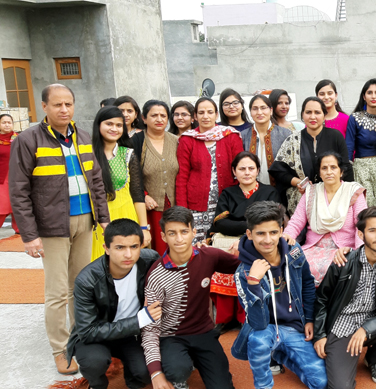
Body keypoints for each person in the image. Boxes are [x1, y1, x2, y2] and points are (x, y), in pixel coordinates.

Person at [9, 84, 110, 374]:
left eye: (68, 104)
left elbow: (96, 180)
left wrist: (103, 218)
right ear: (44, 107)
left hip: (84, 221)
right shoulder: (28, 139)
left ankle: (81, 341)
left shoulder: (81, 136)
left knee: (80, 286)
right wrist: (29, 235)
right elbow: (18, 191)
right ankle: (60, 349)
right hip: (52, 226)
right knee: (57, 292)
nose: (64, 110)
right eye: (57, 105)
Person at [314, 207, 376, 387]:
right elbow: (322, 298)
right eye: (372, 230)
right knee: (340, 387)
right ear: (361, 234)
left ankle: (373, 359)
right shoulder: (343, 261)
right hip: (342, 326)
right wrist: (319, 334)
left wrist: (366, 328)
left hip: (372, 325)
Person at [231, 201, 326, 389]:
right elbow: (257, 322)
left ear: (281, 230)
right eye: (260, 233)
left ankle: (281, 354)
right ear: (249, 234)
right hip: (265, 328)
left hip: (293, 326)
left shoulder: (295, 252)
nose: (268, 239)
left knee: (321, 382)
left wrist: (309, 319)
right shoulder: (243, 273)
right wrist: (253, 283)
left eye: (273, 232)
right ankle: (263, 385)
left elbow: (308, 284)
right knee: (257, 340)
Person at [142, 206, 239, 389]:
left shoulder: (209, 256)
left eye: (184, 231)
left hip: (203, 332)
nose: (179, 239)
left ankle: (194, 360)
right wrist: (156, 373)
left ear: (193, 232)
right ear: (163, 237)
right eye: (172, 233)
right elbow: (150, 329)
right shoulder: (156, 276)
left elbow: (241, 265)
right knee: (177, 369)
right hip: (171, 336)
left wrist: (246, 246)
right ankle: (179, 373)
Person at [66, 219, 160, 389]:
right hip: (96, 334)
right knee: (94, 362)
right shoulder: (87, 280)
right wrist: (139, 320)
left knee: (148, 370)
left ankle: (134, 380)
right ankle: (97, 384)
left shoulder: (150, 260)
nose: (128, 255)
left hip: (131, 334)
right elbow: (87, 332)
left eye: (134, 247)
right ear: (106, 248)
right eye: (120, 247)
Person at [209, 151, 279, 331]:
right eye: (242, 169)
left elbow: (269, 222)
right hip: (230, 239)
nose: (247, 172)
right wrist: (249, 227)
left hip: (260, 239)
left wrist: (244, 237)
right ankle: (225, 318)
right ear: (234, 171)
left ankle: (244, 316)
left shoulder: (269, 192)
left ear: (257, 171)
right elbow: (220, 223)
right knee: (221, 263)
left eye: (251, 168)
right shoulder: (228, 193)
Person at [283, 151, 366, 286]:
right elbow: (297, 221)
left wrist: (358, 253)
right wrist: (286, 236)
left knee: (336, 267)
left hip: (343, 249)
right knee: (291, 262)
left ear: (341, 172)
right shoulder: (311, 192)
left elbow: (362, 225)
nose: (329, 172)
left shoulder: (353, 192)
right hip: (313, 247)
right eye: (324, 168)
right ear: (320, 173)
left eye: (333, 167)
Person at [176, 97, 244, 244]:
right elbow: (182, 176)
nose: (205, 116)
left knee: (224, 243)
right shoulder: (187, 139)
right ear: (195, 116)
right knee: (197, 245)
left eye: (209, 112)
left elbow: (240, 171)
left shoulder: (231, 136)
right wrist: (182, 210)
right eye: (201, 112)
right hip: (196, 206)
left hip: (227, 203)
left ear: (217, 114)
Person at [270, 97, 353, 212]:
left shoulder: (335, 136)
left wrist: (346, 197)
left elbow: (346, 167)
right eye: (308, 112)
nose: (312, 117)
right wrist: (297, 182)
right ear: (302, 115)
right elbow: (278, 170)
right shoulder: (293, 140)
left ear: (324, 115)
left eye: (317, 112)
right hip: (302, 202)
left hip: (333, 200)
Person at [90, 106, 150, 260]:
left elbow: (137, 194)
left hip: (126, 216)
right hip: (95, 222)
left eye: (118, 125)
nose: (114, 129)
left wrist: (143, 228)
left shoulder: (127, 154)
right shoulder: (87, 153)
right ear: (98, 125)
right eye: (109, 124)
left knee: (126, 263)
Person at [130, 100, 179, 256]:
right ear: (144, 118)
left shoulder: (177, 141)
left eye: (163, 115)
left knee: (176, 248)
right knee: (154, 251)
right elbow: (130, 174)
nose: (159, 119)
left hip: (174, 206)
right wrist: (144, 196)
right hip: (149, 209)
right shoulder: (137, 142)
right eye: (154, 115)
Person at [346, 78, 376, 207]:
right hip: (361, 168)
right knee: (365, 206)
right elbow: (349, 146)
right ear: (364, 96)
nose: (373, 96)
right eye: (370, 92)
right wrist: (348, 175)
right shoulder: (355, 118)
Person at [240, 94, 292, 186]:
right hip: (250, 191)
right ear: (250, 112)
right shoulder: (243, 136)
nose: (259, 112)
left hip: (279, 190)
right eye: (255, 109)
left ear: (271, 111)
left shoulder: (285, 134)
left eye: (263, 108)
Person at [0, 113, 18, 233]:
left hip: (18, 176)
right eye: (4, 122)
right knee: (3, 205)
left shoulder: (19, 139)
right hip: (2, 177)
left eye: (9, 122)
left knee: (18, 202)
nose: (7, 125)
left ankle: (20, 229)